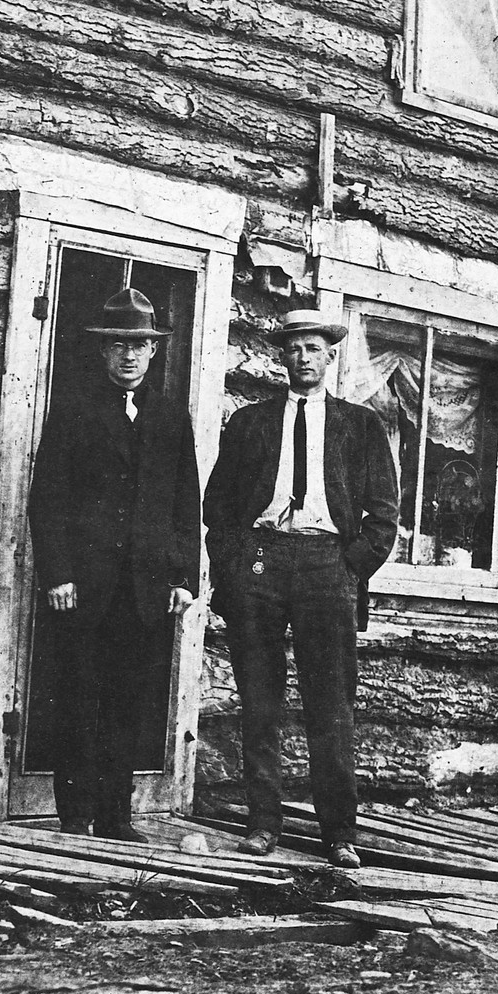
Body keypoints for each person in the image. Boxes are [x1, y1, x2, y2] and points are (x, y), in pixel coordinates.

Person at [203, 307, 399, 867]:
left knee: (330, 702)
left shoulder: (361, 426)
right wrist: (234, 565)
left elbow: (384, 513)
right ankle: (263, 823)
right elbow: (217, 507)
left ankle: (338, 831)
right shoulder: (250, 423)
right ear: (281, 357)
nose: (303, 358)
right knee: (259, 698)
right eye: (293, 348)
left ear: (330, 356)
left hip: (326, 565)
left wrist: (350, 567)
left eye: (313, 348)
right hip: (262, 563)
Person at [26, 285, 201, 840]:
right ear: (104, 350)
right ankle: (75, 815)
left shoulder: (170, 416)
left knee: (128, 700)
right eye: (119, 344)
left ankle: (116, 817)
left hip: (144, 587)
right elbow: (47, 498)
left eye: (139, 345)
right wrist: (58, 573)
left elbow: (185, 502)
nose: (129, 355)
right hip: (83, 585)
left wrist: (182, 577)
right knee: (77, 695)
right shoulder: (73, 410)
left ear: (154, 351)